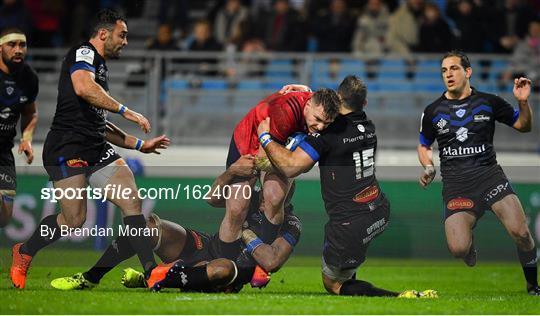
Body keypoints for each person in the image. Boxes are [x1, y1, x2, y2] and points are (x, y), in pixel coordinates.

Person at [10, 8, 169, 289]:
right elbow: (83, 87)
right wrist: (126, 111)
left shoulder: (100, 67)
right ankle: (24, 251)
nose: (126, 41)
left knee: (131, 200)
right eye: (123, 35)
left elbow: (100, 123)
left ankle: (151, 271)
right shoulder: (84, 53)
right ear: (104, 34)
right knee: (74, 219)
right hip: (67, 146)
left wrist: (140, 145)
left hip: (95, 148)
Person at [256, 76, 436, 298]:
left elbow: (291, 167)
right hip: (379, 210)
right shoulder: (369, 126)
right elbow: (340, 104)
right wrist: (310, 93)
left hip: (350, 221)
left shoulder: (328, 135)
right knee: (347, 267)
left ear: (338, 99)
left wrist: (265, 137)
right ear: (365, 104)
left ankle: (398, 296)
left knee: (333, 284)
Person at [49, 154, 302, 293]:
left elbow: (271, 261)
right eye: (269, 182)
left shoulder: (290, 224)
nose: (272, 190)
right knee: (147, 226)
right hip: (208, 244)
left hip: (229, 268)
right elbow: (211, 199)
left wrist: (245, 233)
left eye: (279, 187)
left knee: (220, 270)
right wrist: (230, 173)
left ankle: (159, 277)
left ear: (286, 194)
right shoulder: (251, 196)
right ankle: (91, 277)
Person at [417, 50, 538, 296]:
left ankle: (533, 284)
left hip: (489, 177)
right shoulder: (433, 111)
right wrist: (428, 166)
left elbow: (524, 127)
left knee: (521, 232)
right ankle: (468, 246)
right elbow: (423, 145)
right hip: (457, 185)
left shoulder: (489, 102)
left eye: (453, 69)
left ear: (468, 72)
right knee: (458, 249)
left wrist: (523, 102)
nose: (448, 74)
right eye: (444, 70)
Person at [219, 88, 339, 265]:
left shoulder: (318, 106)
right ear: (307, 105)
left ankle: (258, 264)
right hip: (248, 143)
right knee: (236, 209)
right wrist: (291, 166)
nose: (320, 127)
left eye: (327, 123)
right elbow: (261, 160)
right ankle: (225, 270)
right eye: (318, 119)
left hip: (276, 148)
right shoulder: (285, 112)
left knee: (274, 196)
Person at [0, 28, 38, 227]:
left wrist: (26, 138)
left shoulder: (29, 78)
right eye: (11, 45)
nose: (18, 50)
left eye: (22, 45)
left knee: (4, 217)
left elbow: (30, 112)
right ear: (0, 48)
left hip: (4, 152)